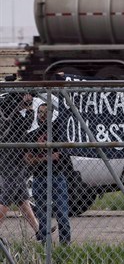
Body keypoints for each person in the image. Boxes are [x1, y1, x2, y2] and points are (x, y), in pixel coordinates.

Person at [25, 103, 72, 245]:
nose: (42, 115)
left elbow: (58, 156)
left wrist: (38, 158)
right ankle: (46, 244)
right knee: (42, 214)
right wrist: (46, 158)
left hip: (57, 176)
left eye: (46, 112)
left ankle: (65, 244)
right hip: (39, 178)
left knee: (62, 213)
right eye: (40, 112)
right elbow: (28, 159)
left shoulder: (58, 133)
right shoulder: (33, 135)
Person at [0, 92, 40, 237]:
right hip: (11, 159)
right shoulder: (11, 116)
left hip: (14, 158)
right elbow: (24, 125)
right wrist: (29, 110)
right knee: (6, 198)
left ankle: (38, 230)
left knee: (22, 198)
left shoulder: (9, 112)